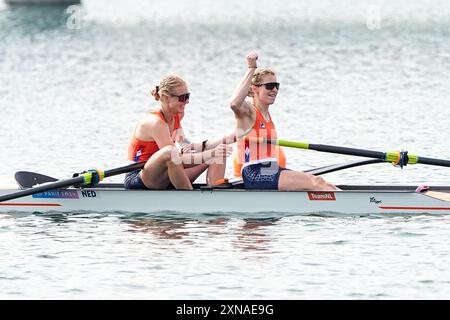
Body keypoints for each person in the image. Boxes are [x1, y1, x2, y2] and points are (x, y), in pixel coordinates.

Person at [229, 53, 340, 191]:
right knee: (315, 181)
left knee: (321, 183)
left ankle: (346, 200)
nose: (274, 89)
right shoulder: (249, 112)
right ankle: (356, 205)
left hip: (271, 169)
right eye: (269, 86)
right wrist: (251, 68)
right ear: (255, 88)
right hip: (255, 173)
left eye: (276, 85)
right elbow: (234, 103)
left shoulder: (266, 114)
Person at [125, 74, 233, 190]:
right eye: (182, 98)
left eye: (187, 96)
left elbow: (184, 144)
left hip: (165, 173)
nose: (187, 102)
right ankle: (189, 199)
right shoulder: (155, 123)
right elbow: (175, 158)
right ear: (166, 98)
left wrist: (195, 147)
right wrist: (210, 153)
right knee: (170, 152)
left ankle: (215, 192)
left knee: (219, 152)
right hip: (140, 176)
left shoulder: (176, 115)